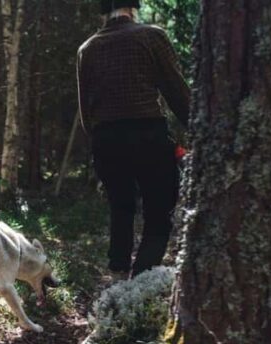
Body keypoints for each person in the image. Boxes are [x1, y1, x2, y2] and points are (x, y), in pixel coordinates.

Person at [77, 0, 190, 279]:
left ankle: (118, 276)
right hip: (148, 133)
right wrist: (199, 128)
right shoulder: (151, 36)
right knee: (159, 212)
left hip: (106, 138)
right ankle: (142, 277)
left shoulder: (87, 48)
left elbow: (85, 112)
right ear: (133, 7)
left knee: (121, 209)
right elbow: (176, 91)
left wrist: (100, 142)